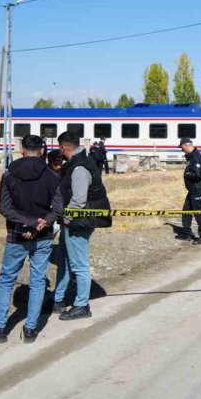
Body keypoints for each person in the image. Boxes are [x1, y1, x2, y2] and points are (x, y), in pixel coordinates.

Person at [0, 135, 64, 344]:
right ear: (41, 151)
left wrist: (27, 223)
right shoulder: (52, 175)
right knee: (38, 282)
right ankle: (30, 330)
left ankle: (0, 329)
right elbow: (58, 208)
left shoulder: (9, 174)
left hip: (16, 235)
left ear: (21, 150)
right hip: (43, 236)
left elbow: (5, 208)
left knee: (6, 281)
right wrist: (41, 223)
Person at [52, 130, 111, 320]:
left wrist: (65, 221)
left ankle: (81, 305)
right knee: (65, 261)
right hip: (74, 221)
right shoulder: (79, 162)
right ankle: (58, 300)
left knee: (78, 264)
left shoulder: (79, 168)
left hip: (78, 222)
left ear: (63, 147)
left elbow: (78, 201)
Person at [178, 137, 201, 245]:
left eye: (182, 148)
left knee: (198, 212)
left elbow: (199, 174)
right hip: (192, 190)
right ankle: (187, 233)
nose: (182, 151)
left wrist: (187, 175)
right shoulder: (191, 157)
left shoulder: (196, 157)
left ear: (187, 145)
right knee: (186, 210)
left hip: (197, 189)